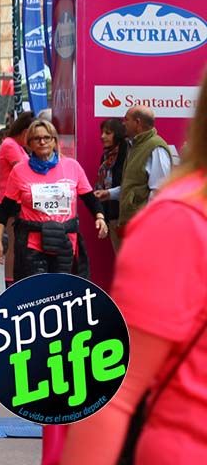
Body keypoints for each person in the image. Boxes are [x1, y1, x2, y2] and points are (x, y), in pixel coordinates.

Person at [59, 69, 207, 465]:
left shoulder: (153, 150)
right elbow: (120, 392)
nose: (119, 126)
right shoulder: (182, 221)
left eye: (125, 121)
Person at [0, 119, 108, 278]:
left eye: (47, 138)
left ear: (54, 141)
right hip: (31, 243)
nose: (42, 142)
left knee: (61, 291)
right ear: (29, 143)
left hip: (65, 240)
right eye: (36, 139)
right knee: (36, 292)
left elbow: (90, 198)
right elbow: (5, 208)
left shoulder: (72, 167)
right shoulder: (19, 171)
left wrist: (100, 217)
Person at [110, 105, 176, 234]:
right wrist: (109, 194)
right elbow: (134, 186)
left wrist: (146, 225)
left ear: (137, 122)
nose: (124, 123)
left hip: (145, 227)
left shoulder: (155, 147)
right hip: (134, 224)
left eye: (126, 119)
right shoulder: (135, 146)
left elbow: (158, 191)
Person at [0, 111, 33, 289]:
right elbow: (23, 169)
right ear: (25, 131)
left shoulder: (18, 146)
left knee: (20, 244)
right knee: (13, 244)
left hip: (21, 201)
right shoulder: (10, 145)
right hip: (10, 200)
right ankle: (10, 281)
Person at [91, 117, 128, 250]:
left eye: (108, 133)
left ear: (117, 134)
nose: (102, 136)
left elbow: (129, 184)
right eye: (102, 132)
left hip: (124, 214)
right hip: (111, 212)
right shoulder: (106, 156)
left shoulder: (127, 153)